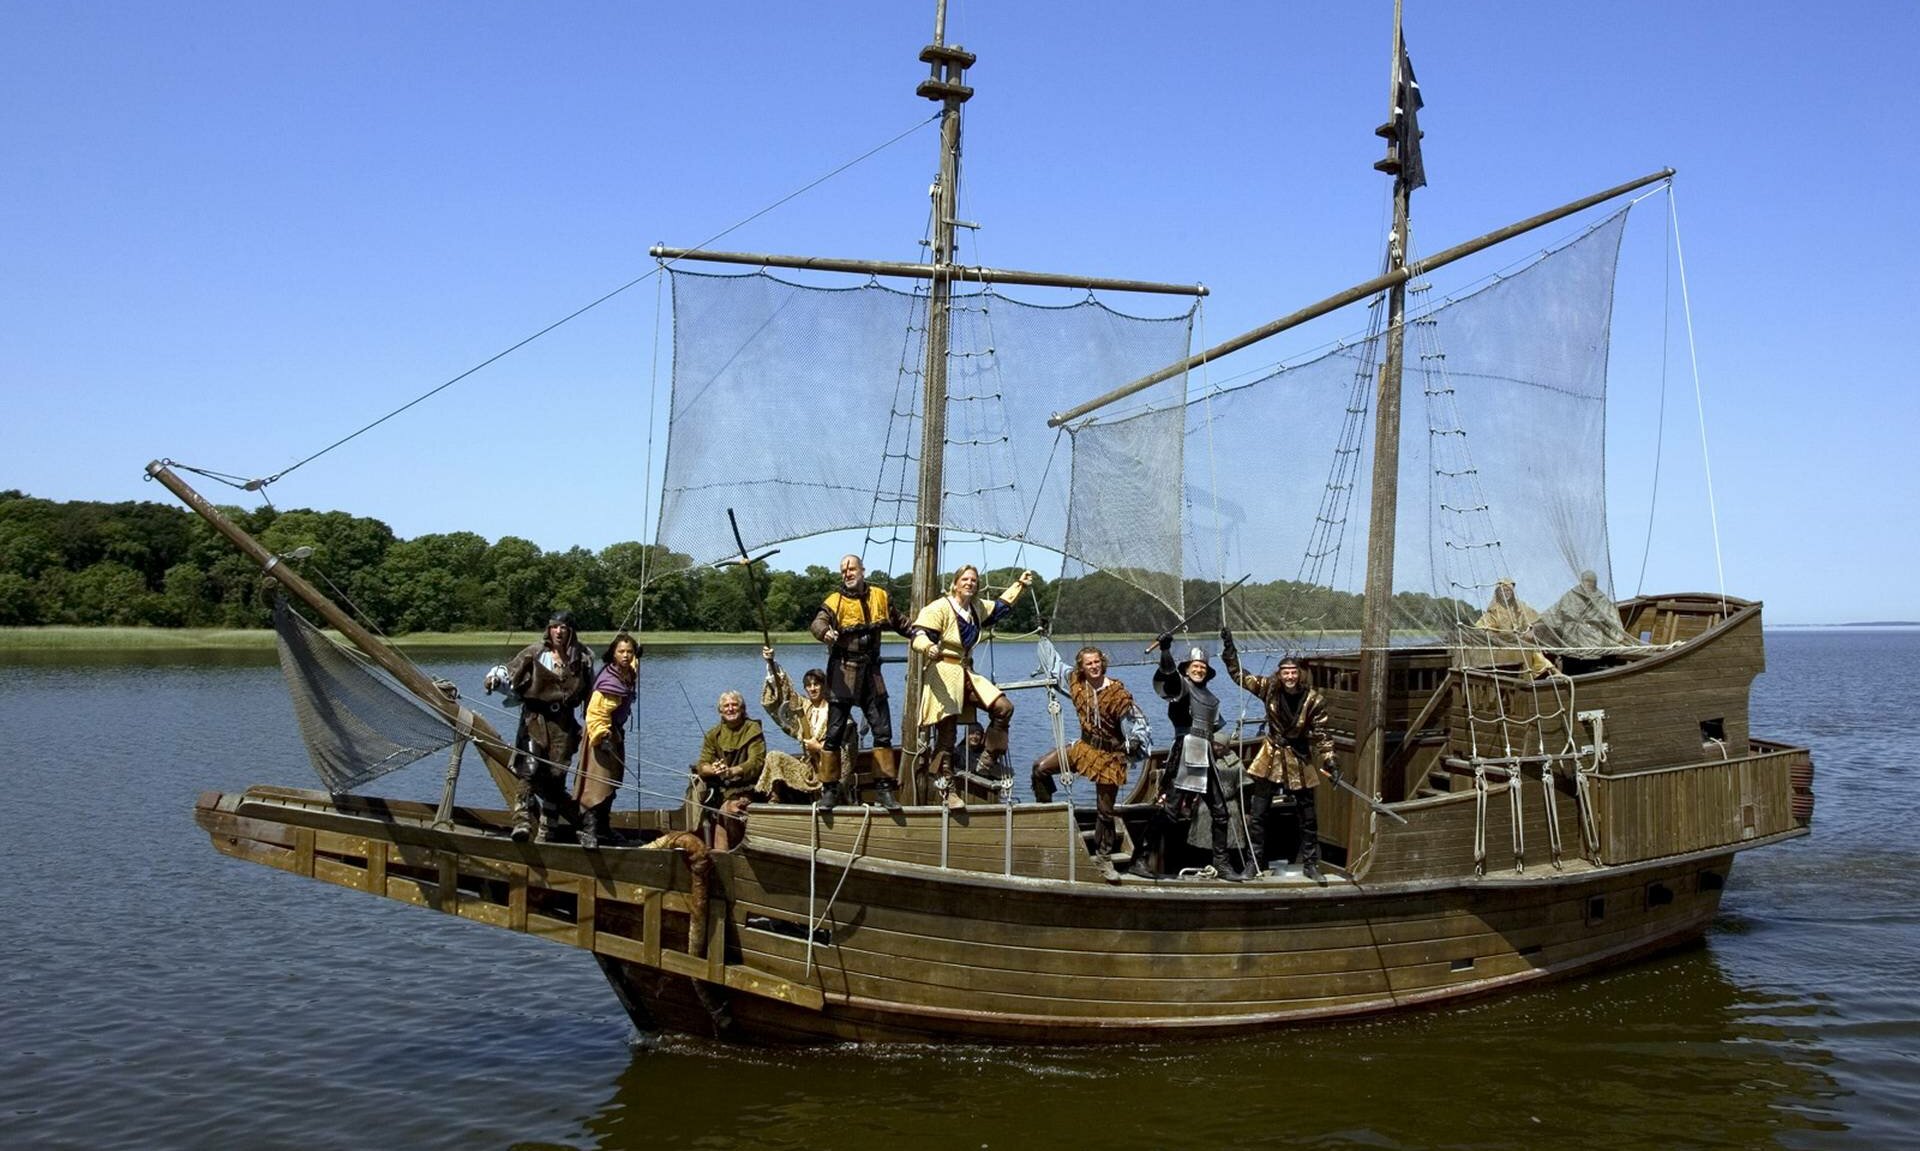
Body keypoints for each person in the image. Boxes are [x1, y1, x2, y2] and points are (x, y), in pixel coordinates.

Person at [910, 565, 1034, 810]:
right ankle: (948, 790)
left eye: (974, 580)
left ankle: (986, 760)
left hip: (966, 672)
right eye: (965, 579)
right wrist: (928, 647)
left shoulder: (976, 607)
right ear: (955, 583)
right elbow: (918, 633)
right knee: (947, 736)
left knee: (1003, 708)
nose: (970, 583)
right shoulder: (939, 607)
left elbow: (1000, 607)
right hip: (944, 673)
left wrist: (1020, 585)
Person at [1220, 633, 1336, 882]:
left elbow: (1323, 735)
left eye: (1294, 672)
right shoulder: (1269, 689)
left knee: (1308, 815)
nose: (1290, 677)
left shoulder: (1313, 700)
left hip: (1298, 757)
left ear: (1300, 674)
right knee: (1259, 813)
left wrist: (1330, 761)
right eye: (1286, 672)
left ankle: (1310, 864)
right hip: (1271, 755)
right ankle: (1254, 863)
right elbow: (1240, 676)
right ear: (1280, 674)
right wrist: (1230, 651)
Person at [1136, 635, 1248, 881]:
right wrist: (1165, 650)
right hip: (1186, 750)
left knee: (1220, 812)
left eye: (1203, 667)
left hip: (1205, 753)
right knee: (1170, 811)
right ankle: (1140, 858)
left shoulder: (1210, 697)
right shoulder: (1181, 687)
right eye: (1194, 666)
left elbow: (1216, 727)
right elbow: (1167, 675)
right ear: (1186, 668)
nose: (1199, 669)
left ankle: (1222, 863)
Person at [810, 555, 914, 810]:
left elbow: (901, 622)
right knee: (833, 734)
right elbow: (817, 622)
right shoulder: (834, 601)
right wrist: (825, 632)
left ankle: (884, 790)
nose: (848, 573)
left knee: (882, 732)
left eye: (852, 568)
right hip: (842, 672)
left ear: (862, 570)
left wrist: (922, 632)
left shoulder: (880, 595)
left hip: (871, 674)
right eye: (844, 570)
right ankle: (829, 791)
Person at [1031, 645, 1136, 883]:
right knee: (1040, 768)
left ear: (1103, 663)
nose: (1094, 666)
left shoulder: (1117, 692)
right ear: (1082, 667)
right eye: (1089, 664)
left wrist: (1135, 742)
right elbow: (1055, 664)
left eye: (1097, 662)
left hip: (1109, 755)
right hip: (1084, 748)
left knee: (1105, 812)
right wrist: (1044, 637)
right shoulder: (1076, 682)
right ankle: (1048, 816)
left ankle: (1103, 857)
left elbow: (1136, 723)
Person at [488, 610, 593, 843]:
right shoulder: (536, 652)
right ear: (549, 629)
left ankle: (548, 830)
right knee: (529, 769)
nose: (558, 631)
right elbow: (508, 671)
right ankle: (522, 822)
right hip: (535, 719)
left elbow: (590, 694)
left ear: (571, 631)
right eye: (555, 627)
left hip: (563, 723)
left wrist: (591, 723)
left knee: (557, 774)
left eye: (563, 627)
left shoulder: (583, 658)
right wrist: (494, 679)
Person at [571, 632, 639, 849]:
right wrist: (602, 736)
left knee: (611, 783)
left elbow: (634, 665)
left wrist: (638, 655)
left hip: (615, 735)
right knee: (596, 784)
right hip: (601, 738)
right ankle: (588, 830)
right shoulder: (610, 682)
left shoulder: (626, 672)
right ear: (613, 654)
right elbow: (595, 713)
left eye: (630, 652)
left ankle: (603, 829)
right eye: (621, 652)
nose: (626, 656)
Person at [693, 690, 765, 850]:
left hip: (749, 788)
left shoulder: (752, 729)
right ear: (720, 710)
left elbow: (756, 762)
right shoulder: (714, 734)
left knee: (728, 810)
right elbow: (702, 764)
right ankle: (722, 856)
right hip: (722, 790)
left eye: (734, 705)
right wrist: (714, 769)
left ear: (742, 708)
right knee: (718, 811)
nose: (730, 709)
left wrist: (732, 771)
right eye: (726, 706)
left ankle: (733, 851)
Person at [757, 646, 827, 804]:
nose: (813, 688)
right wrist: (771, 663)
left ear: (824, 686)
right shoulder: (803, 705)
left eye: (817, 684)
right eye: (809, 685)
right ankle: (774, 799)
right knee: (774, 756)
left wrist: (820, 749)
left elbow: (845, 749)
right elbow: (785, 694)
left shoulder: (834, 710)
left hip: (829, 769)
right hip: (807, 768)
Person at [1532, 570, 1639, 654]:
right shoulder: (1572, 594)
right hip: (1570, 634)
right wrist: (1537, 622)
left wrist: (1597, 624)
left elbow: (1612, 619)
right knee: (1540, 630)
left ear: (1595, 583)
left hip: (1593, 634)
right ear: (1582, 581)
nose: (1589, 583)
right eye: (1586, 580)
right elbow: (1555, 611)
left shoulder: (1602, 599)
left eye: (1591, 581)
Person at [1472, 578, 1553, 678]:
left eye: (1508, 590)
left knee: (1534, 646)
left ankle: (1549, 671)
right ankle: (1548, 671)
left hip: (1520, 640)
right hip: (1503, 645)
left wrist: (1532, 630)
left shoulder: (1519, 607)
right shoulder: (1494, 611)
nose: (1506, 593)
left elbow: (1536, 620)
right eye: (1502, 591)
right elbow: (1479, 628)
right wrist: (1495, 635)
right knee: (1531, 649)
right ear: (1498, 593)